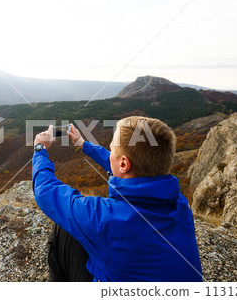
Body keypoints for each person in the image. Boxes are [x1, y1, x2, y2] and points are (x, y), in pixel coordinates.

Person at [32, 116, 203, 282]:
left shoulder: (106, 219)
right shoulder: (181, 205)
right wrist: (83, 145)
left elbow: (46, 191)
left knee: (65, 230)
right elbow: (130, 166)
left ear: (123, 163)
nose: (110, 151)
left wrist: (40, 148)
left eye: (111, 148)